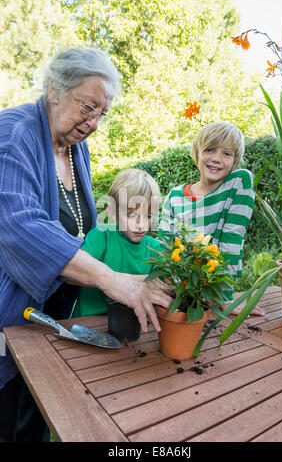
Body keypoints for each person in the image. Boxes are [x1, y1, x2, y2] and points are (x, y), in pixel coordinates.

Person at [0, 47, 171, 441]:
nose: (93, 122)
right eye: (87, 107)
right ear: (54, 88)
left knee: (36, 423)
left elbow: (80, 228)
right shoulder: (13, 137)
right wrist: (109, 278)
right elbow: (21, 229)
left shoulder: (77, 148)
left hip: (47, 324)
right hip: (8, 319)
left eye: (102, 113)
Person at [159, 121, 264, 316]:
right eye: (210, 150)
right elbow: (165, 246)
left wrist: (224, 297)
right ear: (197, 153)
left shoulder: (239, 183)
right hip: (177, 292)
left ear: (234, 161)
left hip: (211, 289)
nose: (216, 158)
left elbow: (231, 239)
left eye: (227, 153)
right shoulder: (174, 196)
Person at [72, 168, 167, 317]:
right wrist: (141, 280)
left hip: (133, 325)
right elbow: (76, 274)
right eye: (131, 215)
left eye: (148, 216)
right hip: (88, 323)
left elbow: (168, 286)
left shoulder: (155, 248)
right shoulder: (101, 236)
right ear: (112, 212)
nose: (140, 224)